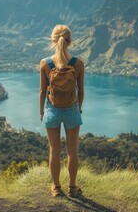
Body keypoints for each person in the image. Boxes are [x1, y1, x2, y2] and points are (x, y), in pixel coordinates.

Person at [39, 24, 85, 197]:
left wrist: (42, 112)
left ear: (53, 40)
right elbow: (81, 91)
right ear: (70, 41)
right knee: (72, 151)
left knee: (54, 151)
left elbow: (43, 91)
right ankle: (72, 187)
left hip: (52, 110)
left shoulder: (45, 63)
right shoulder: (78, 63)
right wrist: (77, 109)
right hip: (72, 110)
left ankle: (56, 188)